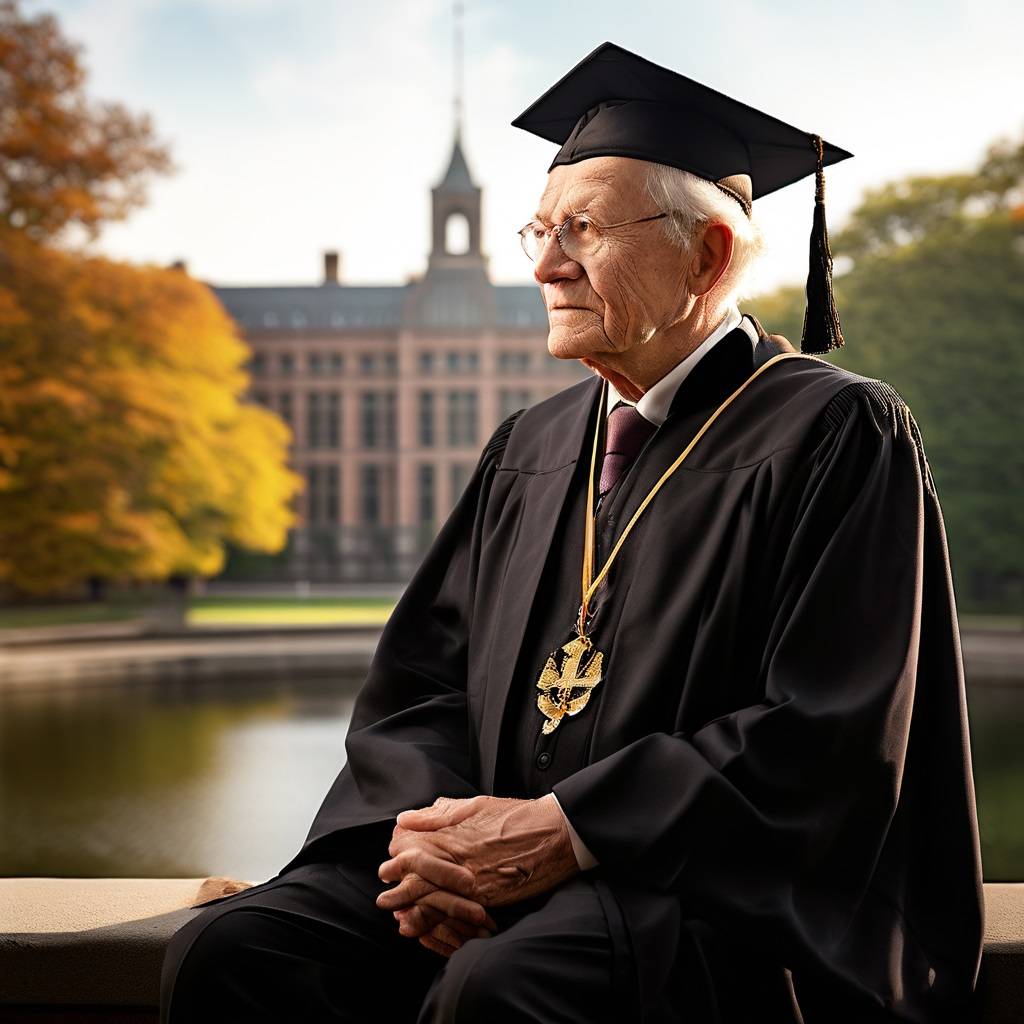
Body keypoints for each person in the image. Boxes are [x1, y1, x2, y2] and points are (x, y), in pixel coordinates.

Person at [160, 41, 984, 1023]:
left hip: (703, 890)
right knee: (238, 950)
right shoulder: (534, 442)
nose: (547, 264)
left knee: (504, 985)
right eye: (539, 230)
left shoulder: (834, 432)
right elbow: (421, 684)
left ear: (707, 255)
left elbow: (830, 731)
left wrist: (571, 829)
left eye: (582, 230)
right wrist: (436, 842)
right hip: (507, 870)